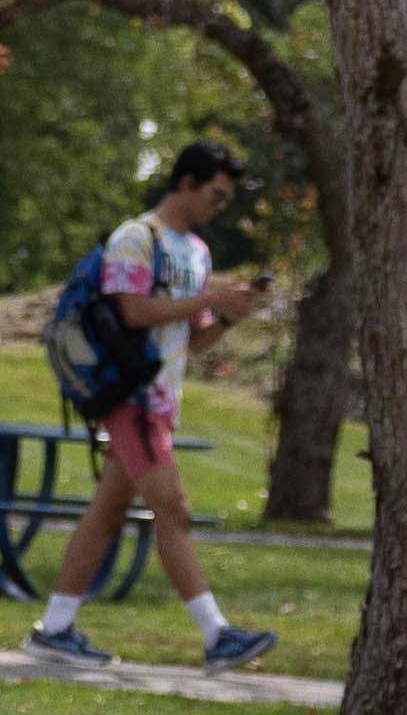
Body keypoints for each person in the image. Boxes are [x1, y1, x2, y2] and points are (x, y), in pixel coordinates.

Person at [28, 141, 278, 672]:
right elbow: (134, 312)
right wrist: (209, 300)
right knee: (175, 508)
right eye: (215, 194)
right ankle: (217, 635)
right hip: (131, 397)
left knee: (108, 509)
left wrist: (229, 315)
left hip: (162, 400)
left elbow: (192, 340)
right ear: (185, 182)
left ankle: (54, 627)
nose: (220, 205)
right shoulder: (135, 239)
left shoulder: (198, 253)